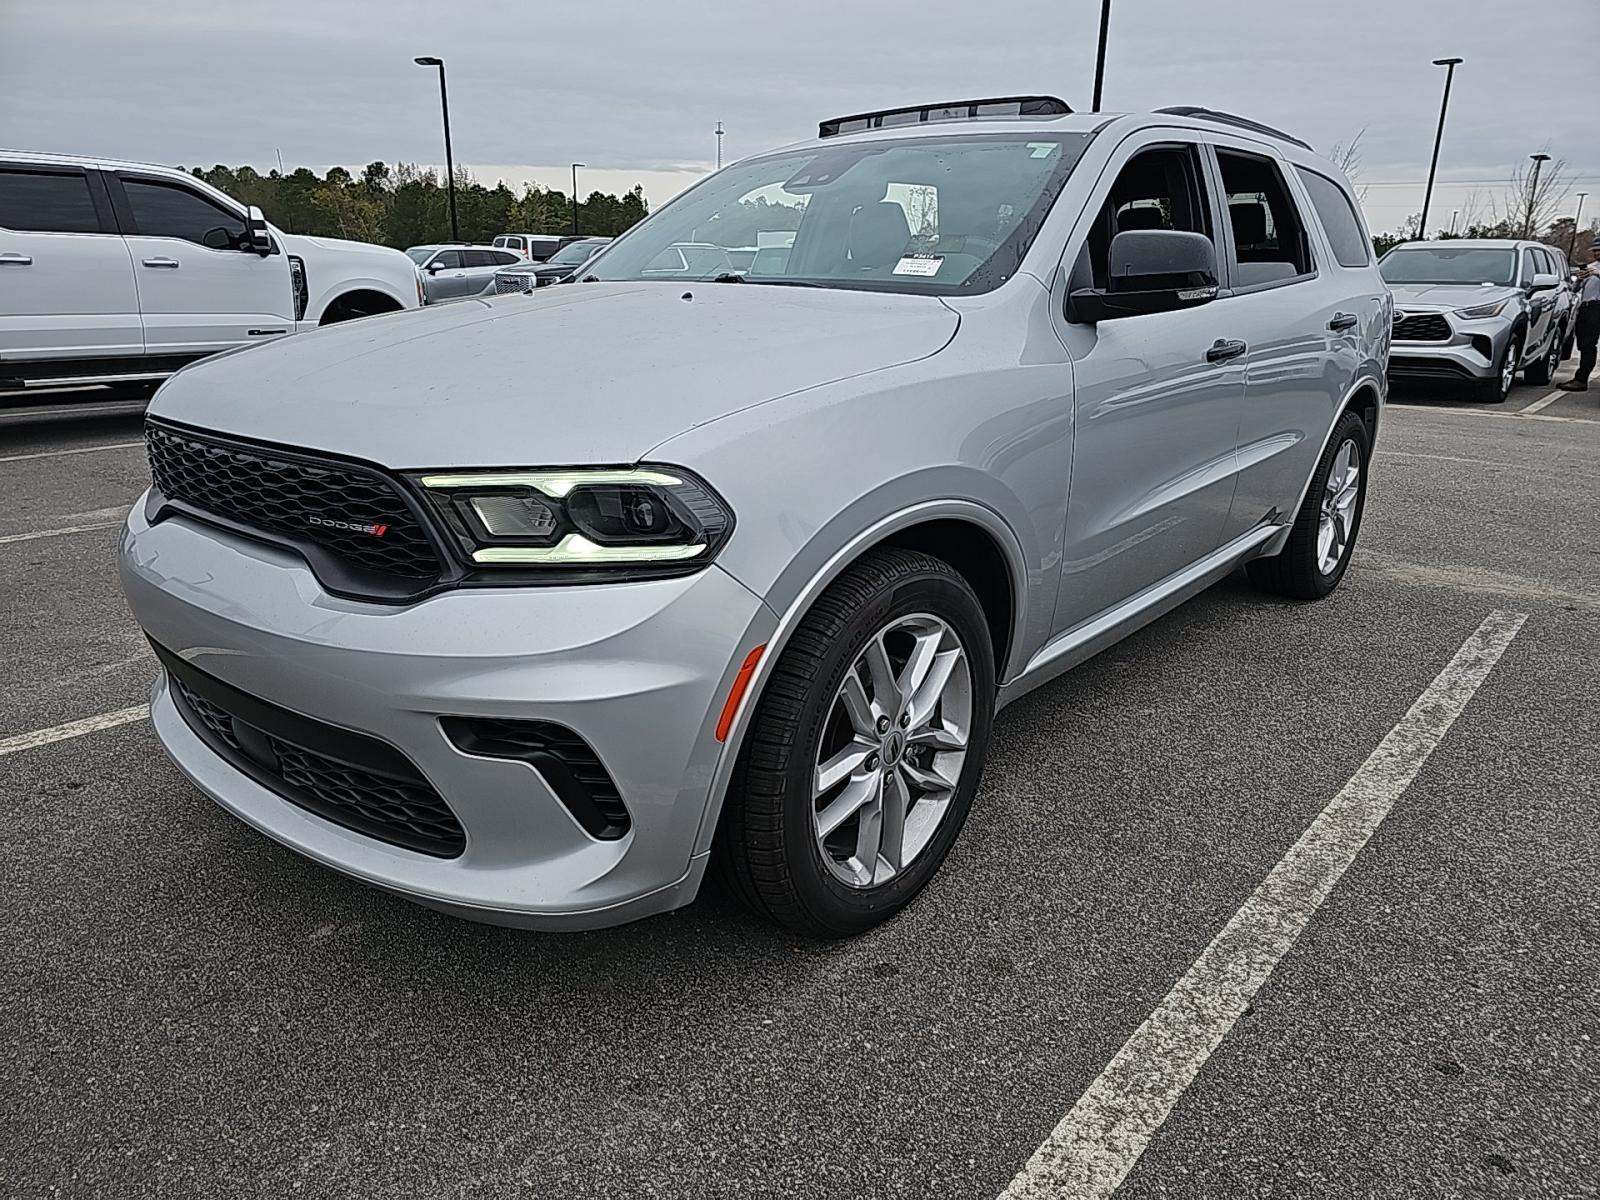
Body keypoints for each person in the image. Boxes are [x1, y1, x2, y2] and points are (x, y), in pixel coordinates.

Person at [1559, 235, 1600, 392]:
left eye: (1599, 251)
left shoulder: (1595, 270)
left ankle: (1581, 378)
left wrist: (1596, 274)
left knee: (1589, 344)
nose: (1597, 254)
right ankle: (1581, 379)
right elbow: (1575, 289)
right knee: (1586, 344)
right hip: (1588, 308)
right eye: (1595, 251)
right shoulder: (1591, 267)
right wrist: (1579, 280)